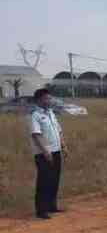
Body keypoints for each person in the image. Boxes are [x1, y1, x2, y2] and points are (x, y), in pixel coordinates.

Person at [30, 88, 67, 219]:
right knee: (44, 181)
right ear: (39, 100)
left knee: (54, 180)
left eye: (49, 98)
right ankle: (41, 210)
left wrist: (63, 145)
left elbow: (59, 130)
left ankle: (52, 206)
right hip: (43, 153)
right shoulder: (35, 115)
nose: (49, 100)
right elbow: (36, 135)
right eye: (46, 98)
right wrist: (46, 151)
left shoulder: (51, 113)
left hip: (56, 151)